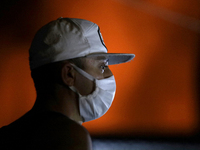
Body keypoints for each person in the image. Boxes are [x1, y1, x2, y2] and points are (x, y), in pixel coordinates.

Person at [0, 17, 135, 149]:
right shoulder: (69, 136)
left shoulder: (7, 135)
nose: (110, 75)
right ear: (69, 74)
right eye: (102, 66)